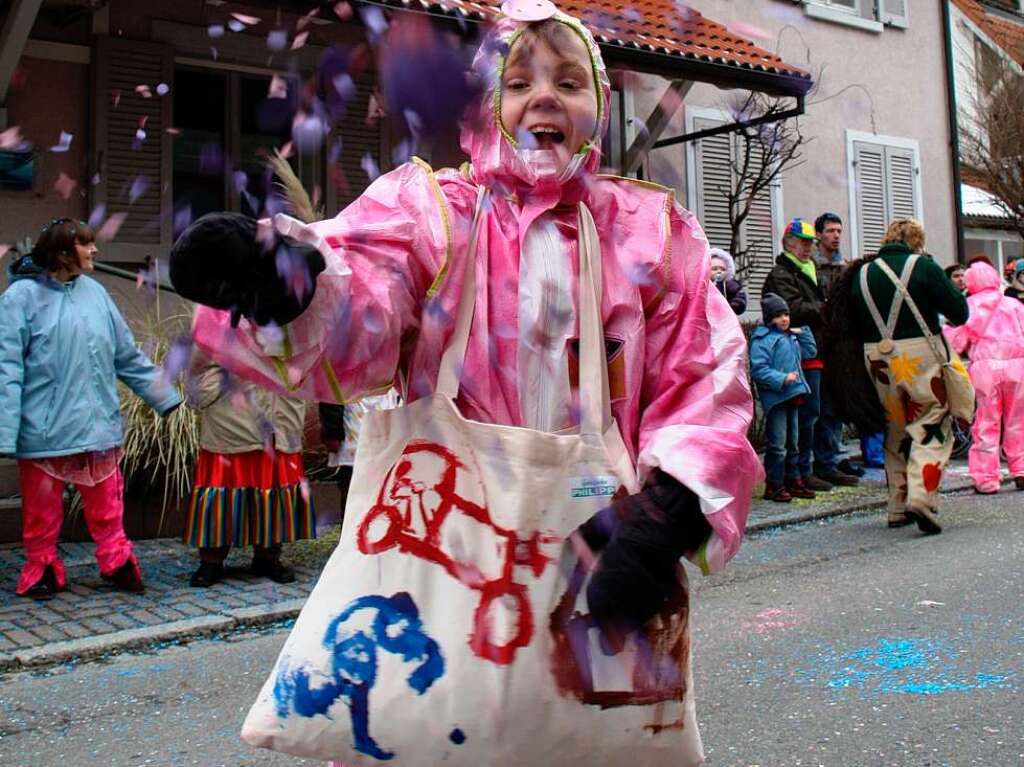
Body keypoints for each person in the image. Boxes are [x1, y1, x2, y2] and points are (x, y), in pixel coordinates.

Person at [170, 5, 761, 761]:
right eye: (518, 81)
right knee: (442, 731)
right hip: (447, 540)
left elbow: (704, 373)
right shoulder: (434, 213)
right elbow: (369, 296)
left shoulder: (650, 230)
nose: (544, 96)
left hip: (604, 548)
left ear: (600, 110)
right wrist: (295, 286)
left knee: (591, 737)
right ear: (488, 105)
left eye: (569, 80)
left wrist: (671, 509)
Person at [0, 219, 182, 599]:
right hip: (45, 431)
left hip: (98, 426)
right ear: (63, 252)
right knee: (42, 511)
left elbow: (126, 355)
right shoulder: (19, 300)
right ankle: (42, 567)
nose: (95, 251)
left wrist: (165, 396)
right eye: (86, 245)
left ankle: (116, 562)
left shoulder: (96, 294)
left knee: (107, 505)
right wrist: (6, 428)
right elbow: (7, 367)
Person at [834, 218, 969, 533]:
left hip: (877, 359)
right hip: (920, 355)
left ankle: (897, 505)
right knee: (931, 422)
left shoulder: (861, 274)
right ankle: (921, 498)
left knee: (895, 427)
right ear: (917, 241)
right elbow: (959, 312)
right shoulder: (922, 267)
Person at [183, 352, 315, 587]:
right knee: (222, 485)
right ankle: (211, 560)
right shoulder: (218, 316)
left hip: (278, 418)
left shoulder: (295, 316)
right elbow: (199, 365)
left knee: (273, 485)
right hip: (231, 417)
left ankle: (268, 556)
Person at [763, 218, 859, 494]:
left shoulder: (808, 268)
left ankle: (819, 466)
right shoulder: (783, 273)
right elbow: (791, 308)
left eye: (809, 243)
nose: (807, 248)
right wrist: (825, 308)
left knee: (821, 410)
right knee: (805, 416)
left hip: (816, 348)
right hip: (799, 353)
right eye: (803, 243)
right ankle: (801, 472)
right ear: (788, 243)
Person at [944, 261, 1024, 493]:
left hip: (985, 369)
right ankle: (1020, 469)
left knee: (986, 424)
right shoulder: (1013, 304)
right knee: (1017, 423)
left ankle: (987, 479)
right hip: (1017, 367)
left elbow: (955, 341)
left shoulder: (969, 306)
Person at [750, 293, 817, 502]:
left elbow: (810, 352)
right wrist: (782, 378)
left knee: (793, 443)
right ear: (770, 319)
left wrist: (804, 332)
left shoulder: (791, 337)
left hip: (793, 395)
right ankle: (775, 484)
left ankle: (793, 479)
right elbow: (759, 369)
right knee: (778, 444)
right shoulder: (763, 340)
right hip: (777, 398)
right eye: (778, 316)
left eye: (786, 314)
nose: (784, 319)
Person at [709, 247, 747, 315]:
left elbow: (739, 294)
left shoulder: (728, 284)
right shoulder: (702, 285)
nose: (719, 271)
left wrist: (734, 305)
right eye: (714, 269)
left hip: (725, 316)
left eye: (723, 269)